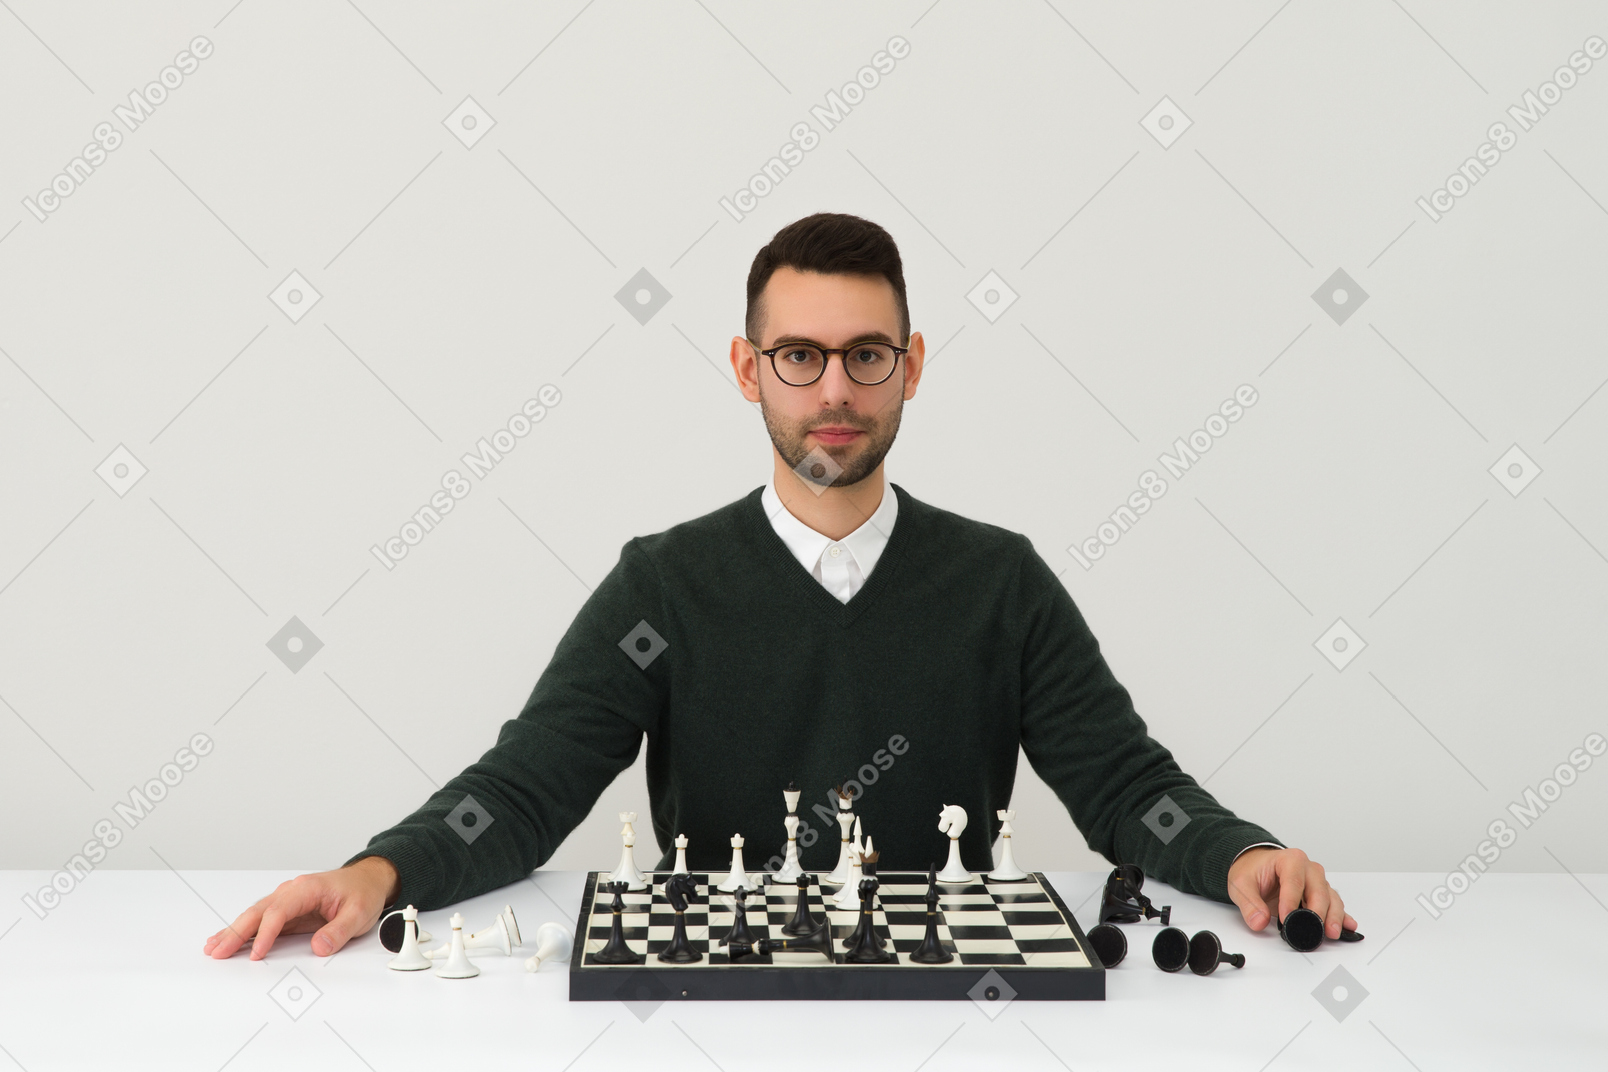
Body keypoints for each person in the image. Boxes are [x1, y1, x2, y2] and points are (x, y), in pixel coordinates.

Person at [205, 212, 1357, 961]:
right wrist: (374, 870)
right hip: (714, 1001)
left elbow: (1124, 788)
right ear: (749, 369)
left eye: (866, 354)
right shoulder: (664, 585)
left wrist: (1236, 850)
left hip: (958, 1009)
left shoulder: (1000, 584)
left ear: (912, 366)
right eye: (799, 356)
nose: (834, 389)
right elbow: (526, 785)